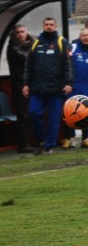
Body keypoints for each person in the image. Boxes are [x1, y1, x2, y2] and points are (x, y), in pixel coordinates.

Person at [22, 17, 72, 154]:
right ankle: (42, 139)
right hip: (37, 88)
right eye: (46, 25)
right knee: (33, 112)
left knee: (53, 118)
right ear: (43, 26)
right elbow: (28, 65)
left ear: (55, 26)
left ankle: (49, 145)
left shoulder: (62, 42)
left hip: (56, 88)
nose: (49, 27)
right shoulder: (36, 43)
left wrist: (68, 83)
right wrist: (26, 83)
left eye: (51, 25)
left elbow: (68, 64)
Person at [5, 23, 34, 152]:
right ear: (14, 34)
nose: (21, 34)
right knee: (23, 115)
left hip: (32, 84)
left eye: (23, 31)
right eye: (18, 32)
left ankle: (36, 140)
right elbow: (26, 58)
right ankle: (23, 144)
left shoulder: (32, 45)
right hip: (20, 86)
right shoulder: (12, 48)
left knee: (33, 113)